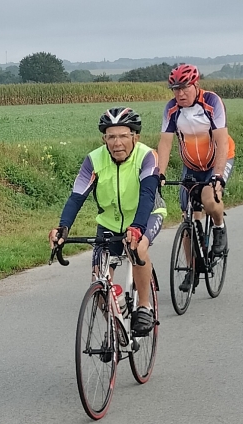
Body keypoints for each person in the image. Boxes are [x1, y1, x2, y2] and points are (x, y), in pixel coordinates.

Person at [50, 107, 166, 338]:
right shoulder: (94, 160)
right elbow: (76, 196)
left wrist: (137, 228)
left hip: (147, 215)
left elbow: (146, 196)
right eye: (111, 137)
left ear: (135, 137)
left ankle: (144, 307)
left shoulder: (147, 156)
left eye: (123, 136)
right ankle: (117, 329)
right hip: (109, 223)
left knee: (137, 248)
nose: (117, 143)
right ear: (104, 139)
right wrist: (63, 227)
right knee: (99, 279)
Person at [155, 63, 235, 291]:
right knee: (188, 218)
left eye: (184, 88)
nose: (180, 94)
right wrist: (159, 174)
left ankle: (219, 228)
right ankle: (192, 269)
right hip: (191, 166)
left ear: (196, 85)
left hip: (218, 160)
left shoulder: (211, 102)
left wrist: (218, 175)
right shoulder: (171, 109)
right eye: (175, 89)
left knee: (209, 199)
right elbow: (165, 143)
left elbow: (221, 141)